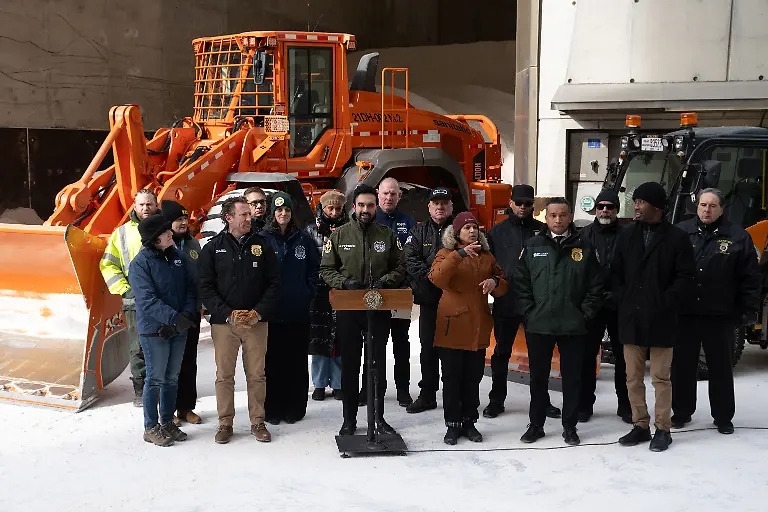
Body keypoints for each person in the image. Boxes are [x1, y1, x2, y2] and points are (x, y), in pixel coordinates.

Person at [612, 182, 695, 452]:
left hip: (662, 319)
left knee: (661, 378)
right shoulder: (626, 235)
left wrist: (665, 301)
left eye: (641, 202)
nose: (635, 206)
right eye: (635, 201)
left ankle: (662, 428)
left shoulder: (677, 238)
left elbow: (685, 278)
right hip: (632, 318)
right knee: (632, 378)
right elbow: (616, 274)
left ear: (656, 206)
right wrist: (624, 300)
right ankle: (640, 425)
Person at [514, 197, 603, 446]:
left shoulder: (585, 247)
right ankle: (536, 425)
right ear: (546, 217)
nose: (558, 220)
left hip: (572, 326)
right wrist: (529, 312)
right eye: (553, 215)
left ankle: (570, 426)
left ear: (570, 216)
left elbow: (596, 286)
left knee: (572, 379)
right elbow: (520, 282)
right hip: (539, 325)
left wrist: (584, 314)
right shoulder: (533, 245)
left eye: (562, 215)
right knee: (538, 379)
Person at [319, 184, 406, 436]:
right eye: (361, 205)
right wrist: (343, 283)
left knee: (376, 364)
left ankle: (378, 418)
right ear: (354, 207)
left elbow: (400, 266)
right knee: (350, 365)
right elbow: (326, 269)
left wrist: (385, 281)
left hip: (378, 307)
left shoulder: (387, 235)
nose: (365, 209)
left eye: (370, 205)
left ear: (376, 207)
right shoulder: (339, 235)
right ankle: (349, 420)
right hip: (349, 309)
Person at [672, 188, 760, 434]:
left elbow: (750, 278)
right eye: (703, 205)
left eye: (712, 206)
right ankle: (681, 412)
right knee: (682, 366)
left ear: (722, 209)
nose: (707, 210)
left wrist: (748, 309)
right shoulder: (680, 232)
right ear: (697, 207)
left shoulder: (738, 237)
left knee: (721, 368)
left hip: (720, 315)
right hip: (686, 313)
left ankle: (723, 417)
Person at [198, 196, 280, 444]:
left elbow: (275, 283)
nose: (249, 218)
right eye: (243, 214)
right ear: (229, 218)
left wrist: (258, 312)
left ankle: (258, 422)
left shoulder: (262, 245)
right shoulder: (213, 248)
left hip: (256, 322)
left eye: (249, 214)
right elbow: (205, 287)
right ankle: (225, 423)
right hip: (225, 324)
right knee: (224, 376)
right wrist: (227, 313)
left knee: (257, 375)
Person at [428, 212, 508, 445]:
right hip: (452, 328)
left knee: (473, 379)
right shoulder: (446, 254)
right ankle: (452, 425)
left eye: (475, 227)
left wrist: (495, 282)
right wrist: (459, 255)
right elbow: (436, 279)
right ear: (456, 233)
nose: (472, 231)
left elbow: (502, 283)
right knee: (452, 379)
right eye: (467, 228)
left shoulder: (487, 256)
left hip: (477, 328)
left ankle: (469, 422)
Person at [484, 184, 561, 420]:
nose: (523, 207)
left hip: (535, 304)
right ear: (510, 203)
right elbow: (488, 265)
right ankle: (496, 400)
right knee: (501, 353)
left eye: (528, 203)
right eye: (519, 203)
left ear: (533, 206)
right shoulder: (496, 232)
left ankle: (542, 401)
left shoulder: (543, 231)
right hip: (506, 302)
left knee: (539, 356)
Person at [128, 215, 198, 446]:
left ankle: (167, 422)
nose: (171, 234)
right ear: (155, 238)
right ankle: (151, 427)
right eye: (166, 232)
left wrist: (186, 315)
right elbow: (147, 300)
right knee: (156, 378)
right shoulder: (140, 264)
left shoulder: (177, 256)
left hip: (178, 327)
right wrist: (174, 319)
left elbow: (190, 287)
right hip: (154, 331)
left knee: (172, 378)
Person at [260, 192, 320, 424]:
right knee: (273, 362)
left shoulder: (303, 239)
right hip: (272, 313)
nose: (283, 213)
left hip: (298, 312)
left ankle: (295, 407)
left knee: (296, 362)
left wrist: (307, 292)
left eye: (286, 209)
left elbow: (314, 269)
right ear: (272, 213)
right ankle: (273, 408)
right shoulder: (263, 239)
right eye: (279, 210)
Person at [99, 189, 159, 407]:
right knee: (138, 347)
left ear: (156, 205)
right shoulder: (122, 233)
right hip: (135, 302)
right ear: (134, 207)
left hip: (164, 300)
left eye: (149, 204)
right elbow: (108, 264)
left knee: (165, 345)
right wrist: (125, 290)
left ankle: (165, 388)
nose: (145, 208)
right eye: (141, 205)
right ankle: (141, 391)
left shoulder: (167, 229)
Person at [577, 189, 631, 424]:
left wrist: (620, 295)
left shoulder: (629, 235)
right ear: (595, 209)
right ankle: (584, 405)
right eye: (601, 206)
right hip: (592, 305)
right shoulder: (583, 235)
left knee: (624, 358)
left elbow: (634, 269)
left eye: (610, 206)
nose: (605, 210)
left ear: (616, 209)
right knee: (586, 357)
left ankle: (626, 406)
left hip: (621, 305)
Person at [367, 177, 417, 407]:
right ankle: (372, 389)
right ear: (378, 193)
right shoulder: (369, 217)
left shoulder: (408, 221)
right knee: (374, 343)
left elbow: (412, 256)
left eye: (393, 194)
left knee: (401, 343)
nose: (389, 197)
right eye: (385, 193)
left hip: (399, 291)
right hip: (375, 291)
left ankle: (403, 390)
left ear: (399, 196)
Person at [404, 187, 454, 413]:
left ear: (451, 206)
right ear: (429, 207)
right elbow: (410, 259)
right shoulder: (418, 231)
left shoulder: (460, 230)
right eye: (436, 203)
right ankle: (427, 395)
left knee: (453, 351)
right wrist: (434, 276)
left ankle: (453, 396)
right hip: (429, 300)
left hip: (454, 301)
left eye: (444, 203)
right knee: (428, 350)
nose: (440, 207)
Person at [160, 200, 203, 426]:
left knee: (189, 362)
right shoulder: (161, 247)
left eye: (185, 218)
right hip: (169, 315)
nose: (184, 222)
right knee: (169, 364)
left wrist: (200, 305)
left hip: (191, 313)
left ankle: (186, 407)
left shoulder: (193, 244)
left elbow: (200, 278)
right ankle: (168, 411)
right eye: (178, 219)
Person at [306, 190, 349, 401]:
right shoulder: (310, 231)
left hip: (342, 288)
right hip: (318, 290)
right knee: (318, 338)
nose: (333, 212)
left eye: (337, 209)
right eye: (329, 208)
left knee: (340, 336)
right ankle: (320, 383)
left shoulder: (350, 229)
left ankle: (339, 382)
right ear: (322, 208)